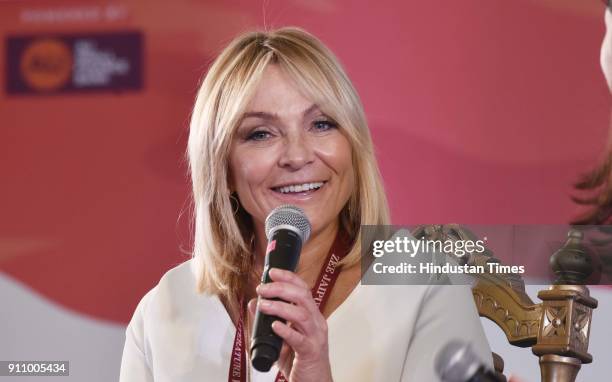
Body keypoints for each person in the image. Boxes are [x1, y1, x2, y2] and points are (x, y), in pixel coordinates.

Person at [119, 27, 492, 381]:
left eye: (322, 124)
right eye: (261, 133)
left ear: (353, 146)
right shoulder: (165, 306)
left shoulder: (424, 282)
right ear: (223, 169)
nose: (297, 156)